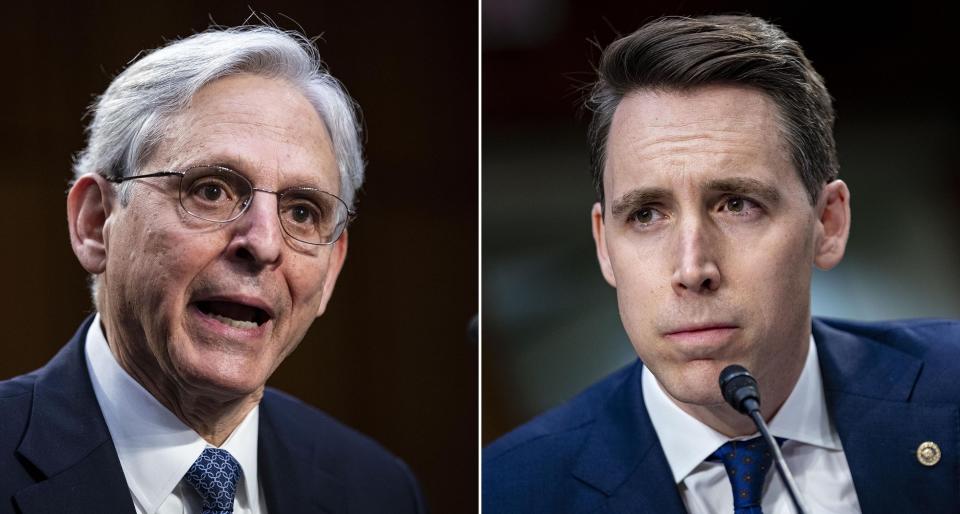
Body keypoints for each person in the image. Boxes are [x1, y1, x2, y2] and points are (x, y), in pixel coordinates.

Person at [483, 15, 960, 513]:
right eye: (646, 215)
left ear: (828, 223)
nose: (692, 269)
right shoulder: (507, 491)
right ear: (605, 246)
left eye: (737, 205)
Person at [0, 26, 424, 514]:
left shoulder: (377, 491)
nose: (263, 244)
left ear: (330, 272)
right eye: (211, 190)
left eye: (302, 211)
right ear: (96, 223)